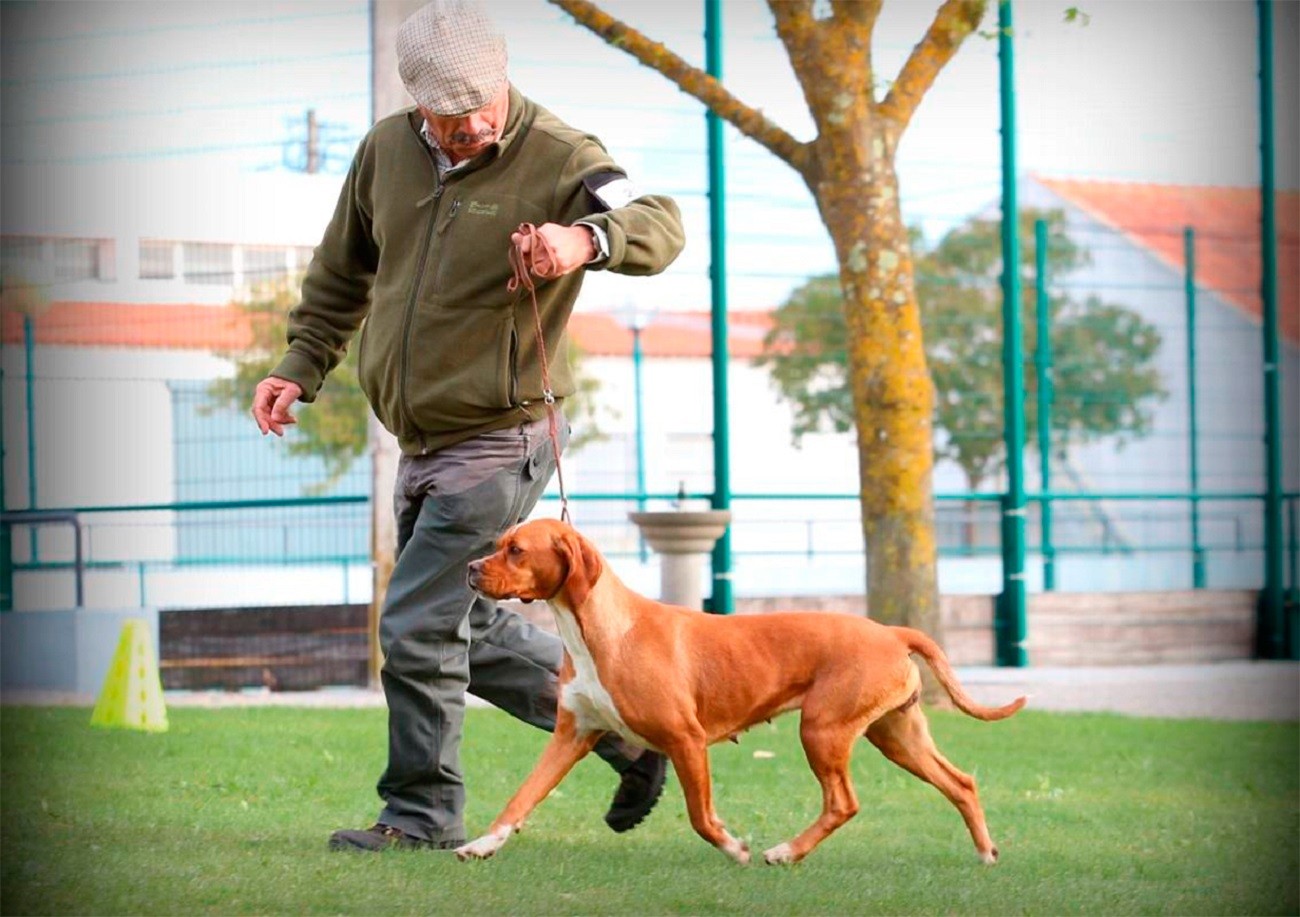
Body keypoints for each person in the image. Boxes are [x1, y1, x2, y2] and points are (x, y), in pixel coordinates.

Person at [251, 0, 685, 852]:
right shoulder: (383, 152)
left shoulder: (564, 153)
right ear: (417, 104)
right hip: (416, 439)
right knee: (467, 624)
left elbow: (662, 224)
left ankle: (419, 817)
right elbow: (342, 272)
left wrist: (583, 241)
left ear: (502, 79)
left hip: (498, 438)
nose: (472, 128)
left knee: (416, 625)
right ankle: (633, 733)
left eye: (484, 108)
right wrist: (298, 365)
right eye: (450, 119)